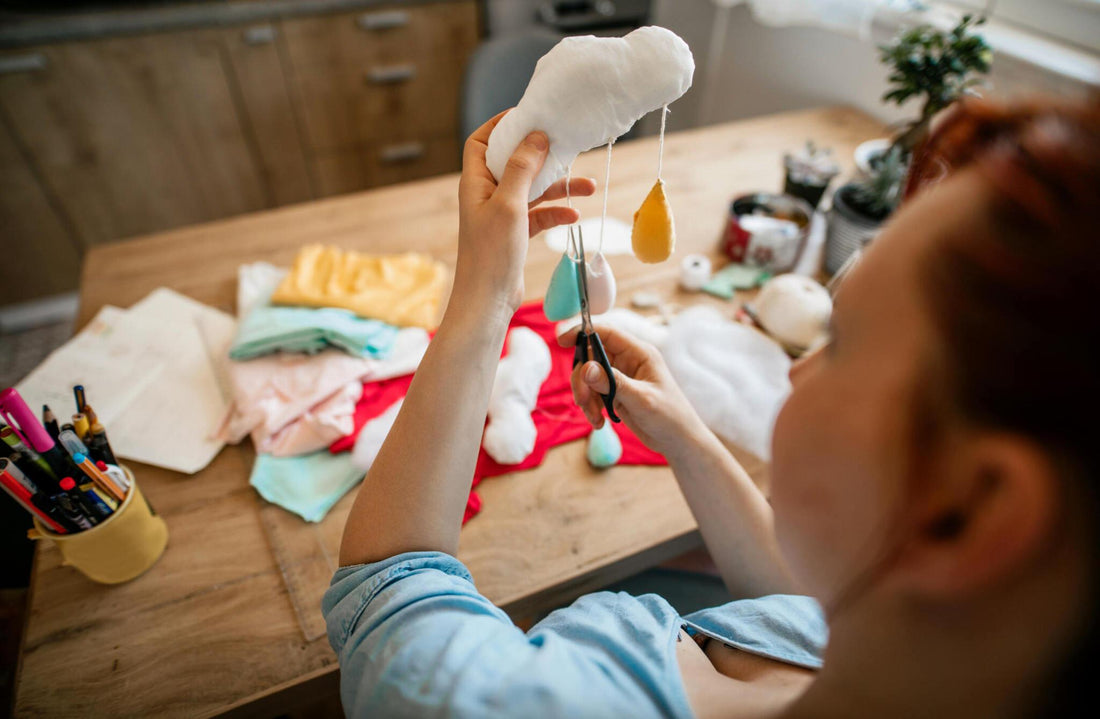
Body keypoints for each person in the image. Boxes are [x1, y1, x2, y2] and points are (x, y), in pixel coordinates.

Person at [325, 99, 1099, 718]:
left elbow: (387, 577)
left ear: (970, 509)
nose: (796, 370)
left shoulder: (472, 700)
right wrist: (685, 435)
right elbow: (796, 607)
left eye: (844, 339)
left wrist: (485, 294)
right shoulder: (908, 653)